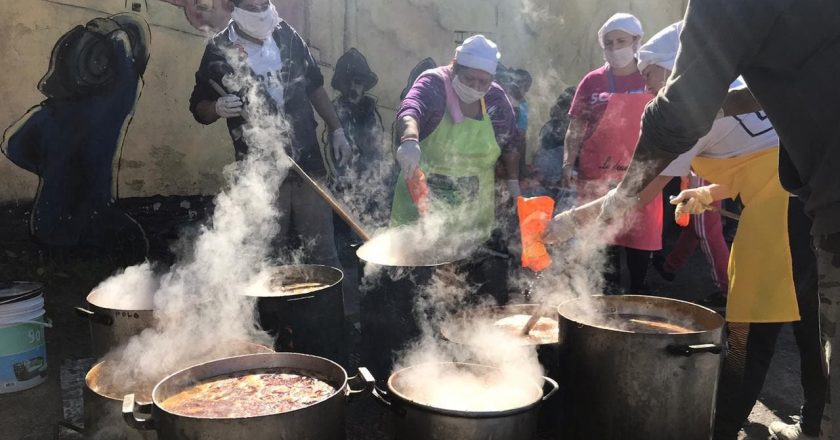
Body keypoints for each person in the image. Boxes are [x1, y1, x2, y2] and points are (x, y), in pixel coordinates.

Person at [547, 20, 828, 440]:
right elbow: (762, 160)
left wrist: (568, 223)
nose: (646, 82)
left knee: (747, 336)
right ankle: (816, 424)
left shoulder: (688, 110)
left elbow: (632, 196)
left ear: (675, 68)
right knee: (815, 324)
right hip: (812, 204)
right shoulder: (740, 91)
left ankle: (721, 428)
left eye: (650, 72)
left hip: (778, 219)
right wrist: (710, 191)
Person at [188, 0, 350, 271]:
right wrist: (216, 108)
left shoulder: (287, 36)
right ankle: (271, 299)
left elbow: (315, 86)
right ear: (234, 9)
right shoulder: (219, 50)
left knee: (323, 253)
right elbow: (198, 108)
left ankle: (330, 299)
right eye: (252, 8)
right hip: (260, 172)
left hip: (307, 163)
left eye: (264, 4)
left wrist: (337, 130)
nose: (261, 12)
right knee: (268, 258)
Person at [562, 13, 660, 293]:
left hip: (641, 174)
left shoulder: (650, 77)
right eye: (609, 43)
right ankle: (606, 300)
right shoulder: (592, 81)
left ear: (637, 42)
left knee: (640, 242)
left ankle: (638, 293)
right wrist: (568, 162)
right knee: (603, 244)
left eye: (621, 41)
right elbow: (576, 126)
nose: (615, 48)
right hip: (596, 175)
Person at [392, 34, 519, 243]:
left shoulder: (495, 98)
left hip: (474, 211)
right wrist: (410, 140)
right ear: (454, 67)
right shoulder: (433, 84)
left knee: (467, 260)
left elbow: (510, 142)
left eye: (483, 82)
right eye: (469, 79)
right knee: (417, 259)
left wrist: (513, 183)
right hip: (421, 205)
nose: (476, 87)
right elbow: (410, 110)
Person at [651, 174, 730, 308]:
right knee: (695, 225)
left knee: (707, 232)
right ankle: (670, 267)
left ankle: (728, 291)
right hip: (704, 171)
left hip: (704, 171)